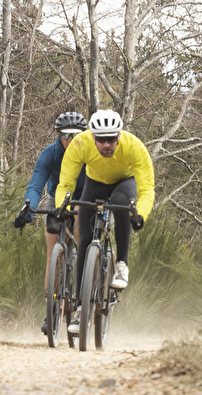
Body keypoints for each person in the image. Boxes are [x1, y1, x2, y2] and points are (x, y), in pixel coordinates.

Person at [53, 109, 154, 333]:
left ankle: (121, 265)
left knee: (120, 202)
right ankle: (81, 309)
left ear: (119, 136)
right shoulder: (80, 144)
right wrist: (62, 206)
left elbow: (146, 188)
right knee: (86, 240)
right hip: (95, 182)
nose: (107, 145)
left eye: (111, 139)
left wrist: (140, 214)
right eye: (101, 140)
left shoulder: (134, 146)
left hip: (124, 182)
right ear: (92, 137)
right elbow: (66, 185)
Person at [13, 112, 88, 294]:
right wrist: (28, 211)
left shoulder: (90, 153)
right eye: (65, 135)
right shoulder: (50, 154)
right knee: (52, 251)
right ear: (58, 135)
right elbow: (36, 186)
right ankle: (52, 307)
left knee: (80, 223)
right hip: (57, 198)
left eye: (76, 135)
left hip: (85, 197)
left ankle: (86, 284)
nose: (70, 140)